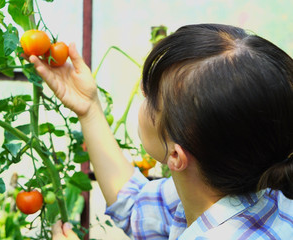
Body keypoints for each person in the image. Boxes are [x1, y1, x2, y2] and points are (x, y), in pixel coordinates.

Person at [30, 23, 293, 239]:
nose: (142, 94)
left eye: (150, 97)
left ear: (177, 157)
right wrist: (88, 108)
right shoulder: (252, 189)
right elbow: (133, 205)